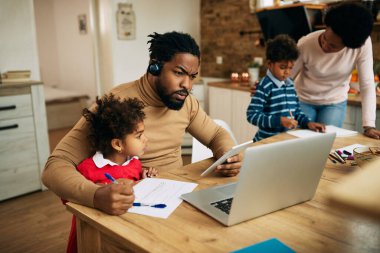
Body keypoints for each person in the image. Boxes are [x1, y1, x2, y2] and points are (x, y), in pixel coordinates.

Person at [42, 31, 241, 217]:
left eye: (192, 76)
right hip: (135, 207)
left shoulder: (186, 102)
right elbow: (55, 167)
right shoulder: (116, 104)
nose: (187, 86)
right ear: (154, 66)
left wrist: (228, 155)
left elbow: (216, 134)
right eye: (179, 73)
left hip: (177, 199)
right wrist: (95, 195)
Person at [65, 94, 158, 253]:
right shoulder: (88, 169)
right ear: (117, 144)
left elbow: (133, 190)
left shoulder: (134, 163)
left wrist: (144, 179)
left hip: (125, 231)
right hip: (95, 237)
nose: (146, 139)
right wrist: (99, 189)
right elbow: (68, 195)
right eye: (139, 136)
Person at [291, 2, 380, 139]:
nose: (325, 46)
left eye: (333, 46)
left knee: (326, 145)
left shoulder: (361, 45)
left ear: (349, 45)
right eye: (325, 38)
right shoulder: (305, 43)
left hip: (334, 103)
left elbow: (367, 84)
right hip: (303, 100)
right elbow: (286, 76)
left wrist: (369, 125)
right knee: (298, 144)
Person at [247, 34, 325, 142]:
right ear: (270, 64)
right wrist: (279, 121)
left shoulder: (290, 85)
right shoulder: (264, 86)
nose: (287, 72)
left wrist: (308, 123)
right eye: (283, 67)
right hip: (266, 142)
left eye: (291, 68)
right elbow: (252, 115)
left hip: (285, 141)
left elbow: (296, 112)